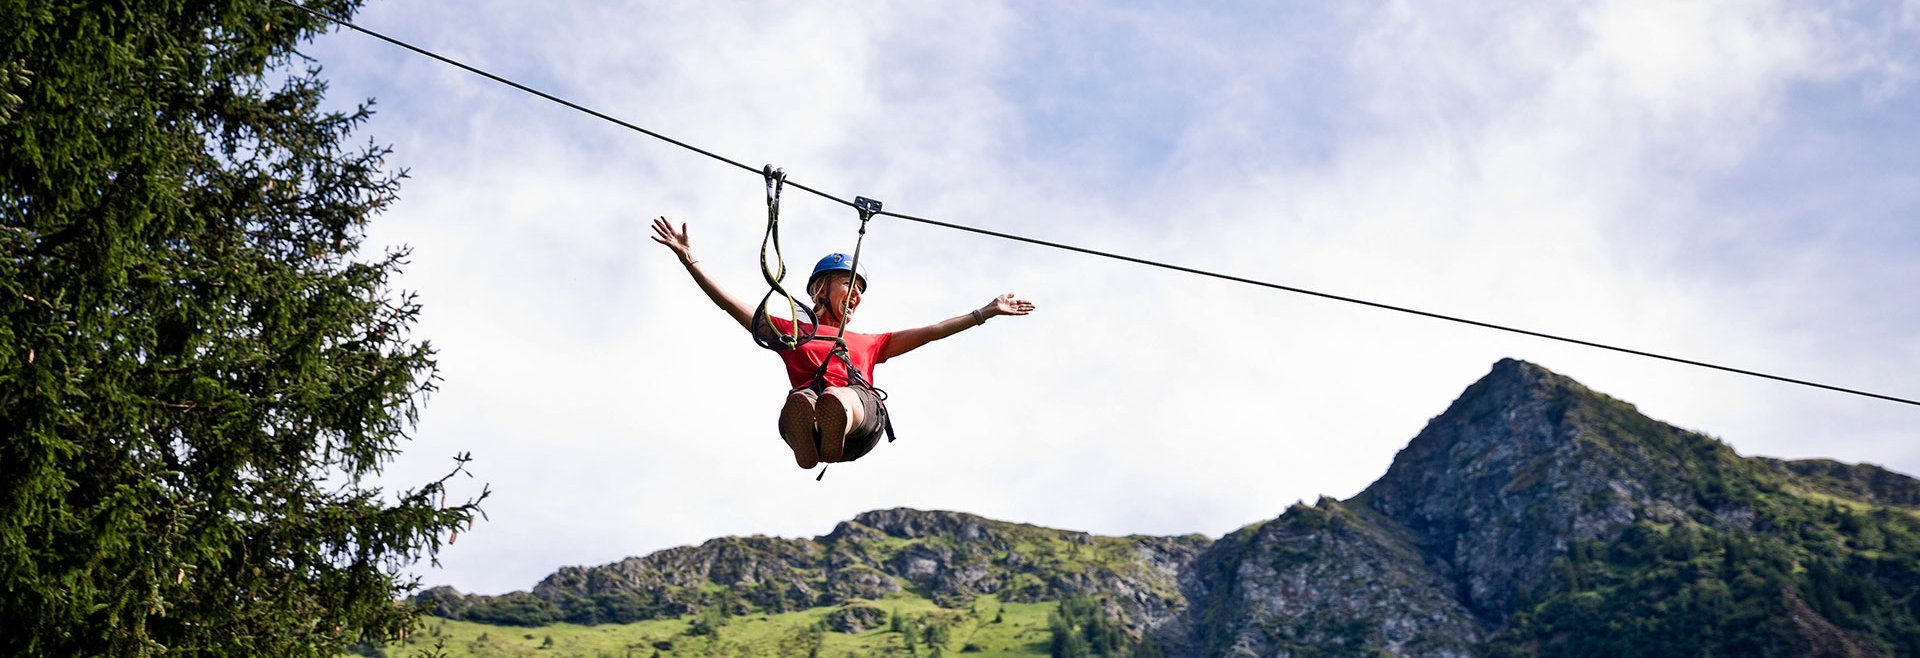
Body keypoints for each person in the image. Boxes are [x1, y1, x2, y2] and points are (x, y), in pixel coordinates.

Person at [650, 216, 1036, 468]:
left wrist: (986, 311)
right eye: (848, 284)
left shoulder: (870, 341)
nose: (856, 295)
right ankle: (809, 437)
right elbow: (730, 304)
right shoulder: (792, 332)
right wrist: (690, 261)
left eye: (860, 290)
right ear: (820, 288)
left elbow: (933, 330)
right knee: (803, 401)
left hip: (860, 421)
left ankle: (831, 424)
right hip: (815, 426)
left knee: (838, 397)